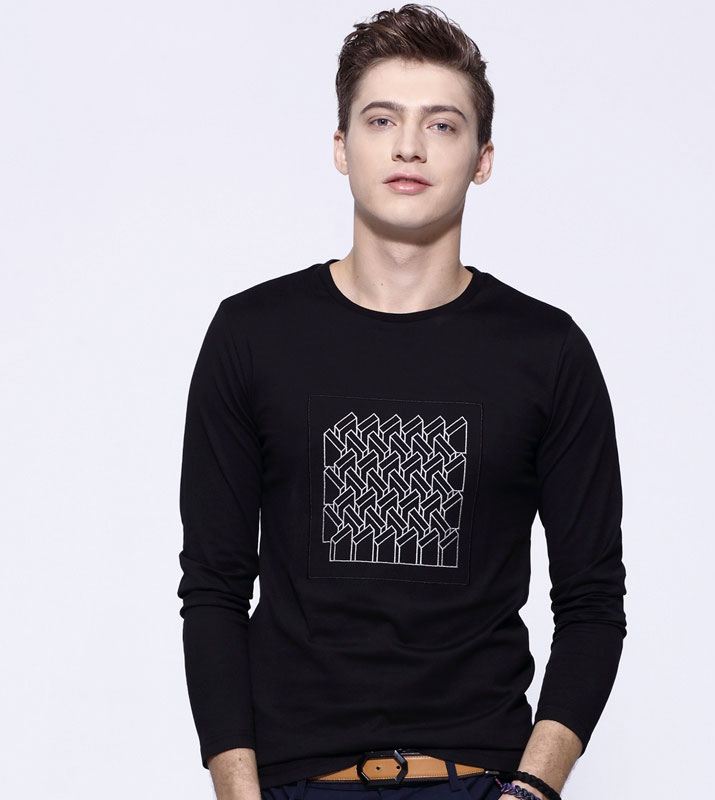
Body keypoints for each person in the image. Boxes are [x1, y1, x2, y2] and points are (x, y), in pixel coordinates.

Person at [177, 5, 628, 800]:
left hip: (478, 778)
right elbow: (214, 585)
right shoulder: (252, 335)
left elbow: (592, 601)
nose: (409, 146)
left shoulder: (546, 352)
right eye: (382, 119)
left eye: (442, 124)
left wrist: (533, 789)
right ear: (342, 147)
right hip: (295, 782)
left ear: (483, 159)